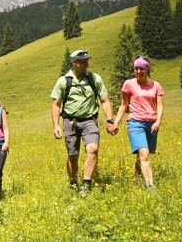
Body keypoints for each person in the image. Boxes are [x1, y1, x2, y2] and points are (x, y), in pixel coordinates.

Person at [51, 49, 114, 195]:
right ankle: (73, 183)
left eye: (87, 60)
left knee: (93, 149)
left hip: (90, 120)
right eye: (83, 61)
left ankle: (86, 185)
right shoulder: (63, 81)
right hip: (70, 122)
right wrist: (55, 125)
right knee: (73, 156)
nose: (87, 63)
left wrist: (110, 120)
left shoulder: (94, 78)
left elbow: (104, 100)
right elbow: (56, 104)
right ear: (74, 63)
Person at [108, 56, 164, 193]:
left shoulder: (156, 86)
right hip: (135, 123)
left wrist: (158, 121)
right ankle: (151, 187)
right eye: (136, 69)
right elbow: (123, 105)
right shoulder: (129, 84)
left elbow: (160, 106)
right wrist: (115, 123)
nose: (138, 72)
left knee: (142, 156)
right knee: (145, 155)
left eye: (141, 69)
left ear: (147, 69)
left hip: (151, 124)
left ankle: (135, 182)